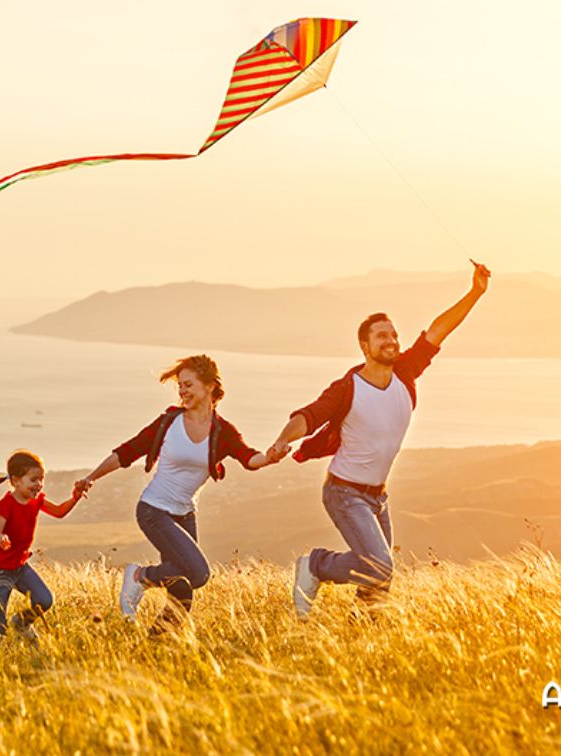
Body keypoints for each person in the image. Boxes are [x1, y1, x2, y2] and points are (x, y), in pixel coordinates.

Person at [266, 262, 491, 618]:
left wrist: (475, 292)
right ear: (364, 346)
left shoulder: (405, 371)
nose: (391, 341)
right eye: (381, 336)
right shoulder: (347, 388)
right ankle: (316, 565)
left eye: (394, 335)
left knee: (379, 584)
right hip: (344, 492)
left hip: (377, 496)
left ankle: (364, 636)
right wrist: (282, 441)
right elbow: (308, 417)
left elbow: (439, 330)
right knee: (378, 566)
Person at [76, 354, 285, 629]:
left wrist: (269, 457)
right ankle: (140, 576)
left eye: (188, 385)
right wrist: (91, 477)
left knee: (183, 591)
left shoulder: (222, 431)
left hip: (185, 515)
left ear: (209, 386)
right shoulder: (169, 423)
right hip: (154, 510)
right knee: (198, 573)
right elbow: (128, 451)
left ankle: (157, 643)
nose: (183, 391)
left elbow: (248, 458)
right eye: (180, 386)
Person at [0, 449, 81, 639]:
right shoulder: (7, 503)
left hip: (19, 566)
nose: (39, 484)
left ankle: (21, 623)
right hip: (0, 567)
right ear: (16, 481)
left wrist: (75, 497)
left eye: (41, 479)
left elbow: (59, 512)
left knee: (44, 600)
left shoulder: (37, 501)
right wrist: (0, 538)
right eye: (33, 480)